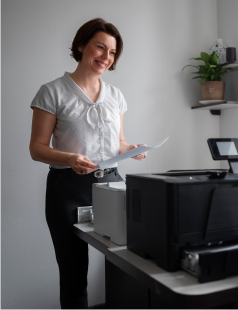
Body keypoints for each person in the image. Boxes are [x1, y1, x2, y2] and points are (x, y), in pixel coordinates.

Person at [29, 18, 147, 310]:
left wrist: (131, 148)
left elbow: (116, 142)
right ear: (81, 45)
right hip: (67, 189)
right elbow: (37, 148)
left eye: (112, 52)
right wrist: (70, 159)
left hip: (111, 183)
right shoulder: (52, 91)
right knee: (73, 274)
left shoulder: (116, 96)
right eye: (100, 47)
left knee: (125, 263)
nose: (106, 57)